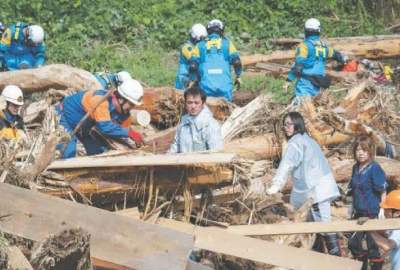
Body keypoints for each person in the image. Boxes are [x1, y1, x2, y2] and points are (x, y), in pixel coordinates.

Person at [266, 111, 341, 256]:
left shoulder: (297, 143)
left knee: (324, 228)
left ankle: (337, 262)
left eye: (289, 124)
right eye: (284, 124)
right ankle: (320, 262)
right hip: (315, 190)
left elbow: (286, 164)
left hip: (316, 192)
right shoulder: (307, 140)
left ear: (297, 125)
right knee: (315, 230)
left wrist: (275, 186)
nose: (285, 127)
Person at [57, 79, 144, 159]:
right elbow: (105, 127)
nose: (131, 108)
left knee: (98, 154)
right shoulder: (100, 100)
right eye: (131, 104)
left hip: (84, 127)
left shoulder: (122, 112)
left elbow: (119, 129)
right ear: (121, 99)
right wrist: (129, 133)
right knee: (68, 154)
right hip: (64, 119)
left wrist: (132, 137)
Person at [347, 135, 387, 270]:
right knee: (354, 244)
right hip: (358, 213)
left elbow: (382, 190)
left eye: (364, 150)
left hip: (373, 212)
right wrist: (351, 206)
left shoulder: (375, 168)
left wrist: (383, 209)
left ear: (370, 151)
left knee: (373, 246)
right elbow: (353, 189)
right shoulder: (355, 168)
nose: (361, 153)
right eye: (358, 150)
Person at [287, 18, 346, 98]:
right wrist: (343, 61)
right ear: (319, 30)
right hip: (319, 84)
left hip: (306, 83)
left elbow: (298, 66)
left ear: (305, 30)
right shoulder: (324, 46)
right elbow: (337, 55)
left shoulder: (304, 46)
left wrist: (289, 79)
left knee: (301, 106)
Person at [189, 19, 242, 101]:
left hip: (206, 86)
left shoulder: (200, 45)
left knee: (205, 111)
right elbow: (237, 62)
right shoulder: (227, 44)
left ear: (208, 31)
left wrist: (192, 80)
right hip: (224, 87)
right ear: (222, 31)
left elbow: (193, 66)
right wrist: (238, 76)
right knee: (226, 110)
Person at [169, 85, 223, 153]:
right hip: (182, 162)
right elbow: (175, 146)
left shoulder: (211, 125)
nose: (193, 106)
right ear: (185, 104)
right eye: (190, 103)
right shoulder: (183, 123)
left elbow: (216, 152)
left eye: (196, 103)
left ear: (203, 104)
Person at [370, 190, 400, 270]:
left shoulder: (398, 229)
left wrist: (369, 230)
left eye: (387, 210)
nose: (384, 212)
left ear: (397, 213)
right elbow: (387, 235)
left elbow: (387, 246)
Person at [175, 23, 207, 90]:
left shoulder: (198, 47)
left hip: (194, 78)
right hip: (185, 79)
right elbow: (193, 64)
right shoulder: (187, 47)